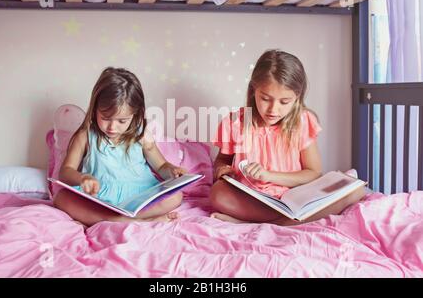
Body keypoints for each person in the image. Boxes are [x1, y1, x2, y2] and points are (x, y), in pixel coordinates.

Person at [210, 49, 365, 225]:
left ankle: (261, 223)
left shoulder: (302, 121)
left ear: (296, 97)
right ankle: (288, 223)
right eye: (265, 99)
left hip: (295, 196)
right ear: (254, 91)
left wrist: (270, 176)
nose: (273, 110)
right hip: (254, 198)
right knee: (218, 192)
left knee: (357, 190)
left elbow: (313, 173)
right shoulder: (236, 122)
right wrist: (223, 170)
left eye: (284, 102)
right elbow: (221, 161)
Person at [53, 67, 186, 226]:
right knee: (62, 197)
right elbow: (65, 171)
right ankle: (133, 220)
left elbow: (161, 165)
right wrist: (82, 178)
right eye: (106, 118)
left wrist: (172, 171)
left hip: (139, 195)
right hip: (100, 197)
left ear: (135, 115)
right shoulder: (85, 136)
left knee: (176, 196)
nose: (112, 127)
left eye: (122, 121)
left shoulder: (141, 135)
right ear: (95, 108)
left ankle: (122, 219)